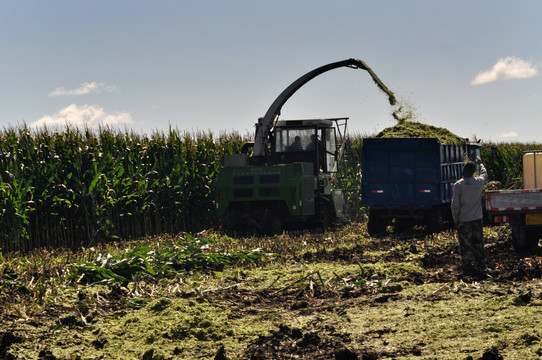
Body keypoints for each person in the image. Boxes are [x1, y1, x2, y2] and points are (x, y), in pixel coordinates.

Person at [451, 157, 488, 279]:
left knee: (465, 244)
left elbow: (455, 205)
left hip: (464, 219)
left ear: (463, 172)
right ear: (473, 172)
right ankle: (482, 267)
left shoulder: (458, 185)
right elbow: (484, 174)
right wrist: (481, 164)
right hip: (477, 218)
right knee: (478, 243)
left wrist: (456, 219)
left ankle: (467, 268)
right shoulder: (478, 182)